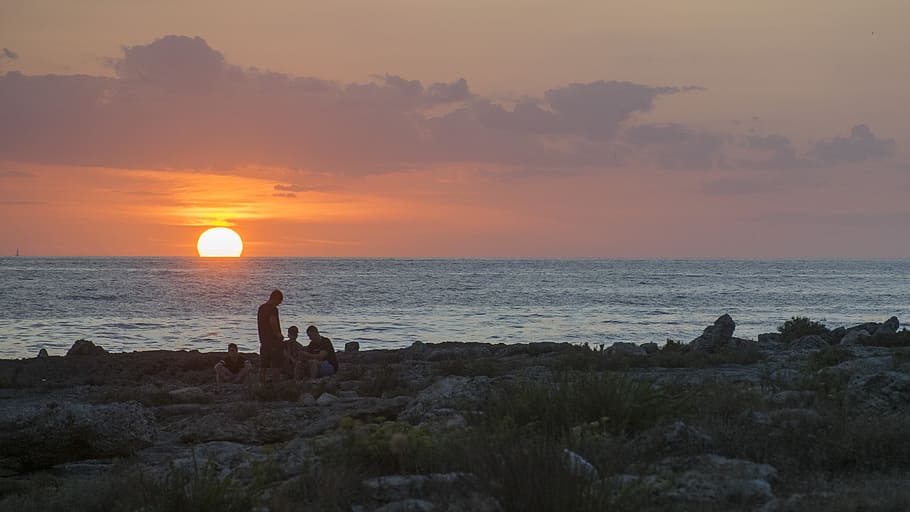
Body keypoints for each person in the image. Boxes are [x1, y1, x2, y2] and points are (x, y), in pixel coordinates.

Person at [257, 289, 284, 384]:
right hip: (273, 342)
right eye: (279, 301)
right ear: (275, 298)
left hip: (263, 341)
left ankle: (261, 385)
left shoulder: (261, 308)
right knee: (276, 366)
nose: (279, 304)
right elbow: (272, 321)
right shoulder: (273, 309)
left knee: (263, 366)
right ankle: (276, 386)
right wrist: (278, 334)